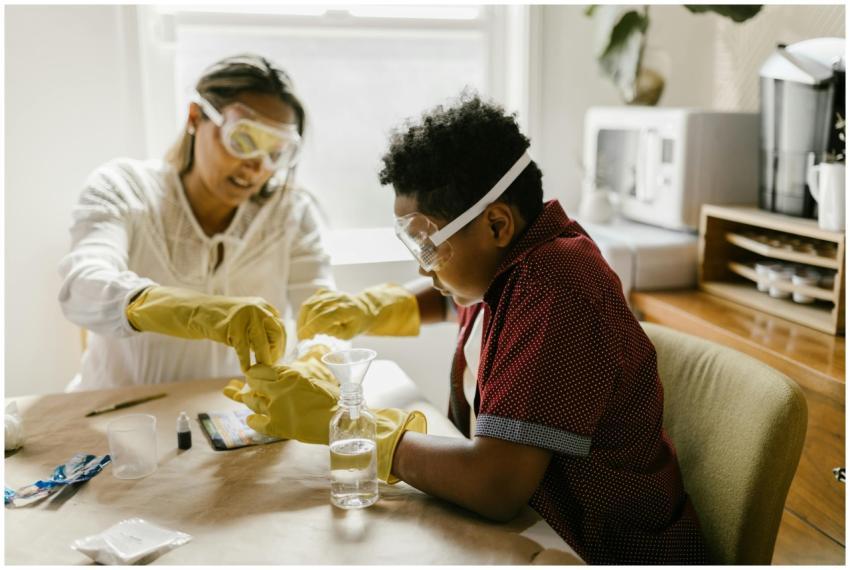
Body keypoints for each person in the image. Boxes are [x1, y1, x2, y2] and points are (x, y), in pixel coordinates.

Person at [226, 93, 709, 564]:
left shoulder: (555, 285)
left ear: (496, 225)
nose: (424, 268)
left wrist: (352, 431)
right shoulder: (520, 262)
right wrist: (371, 306)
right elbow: (461, 301)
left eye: (426, 242)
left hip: (604, 549)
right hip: (543, 527)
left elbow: (494, 485)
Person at [58, 54, 333, 391]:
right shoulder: (124, 187)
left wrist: (317, 362)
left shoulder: (291, 213)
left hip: (234, 422)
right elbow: (82, 288)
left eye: (276, 154)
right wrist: (195, 311)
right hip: (115, 414)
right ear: (195, 117)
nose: (256, 167)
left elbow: (321, 317)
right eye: (243, 140)